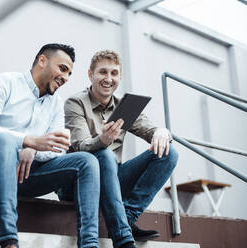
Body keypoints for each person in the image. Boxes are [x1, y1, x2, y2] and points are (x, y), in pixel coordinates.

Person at [0, 43, 101, 248]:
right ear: (42, 61)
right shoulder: (4, 83)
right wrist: (26, 140)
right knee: (5, 141)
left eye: (69, 73)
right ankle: (9, 242)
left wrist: (33, 149)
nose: (66, 78)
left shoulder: (56, 103)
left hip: (22, 176)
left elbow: (58, 148)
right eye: (62, 69)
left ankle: (89, 244)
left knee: (87, 161)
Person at [63, 50, 178, 244]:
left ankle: (128, 216)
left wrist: (162, 131)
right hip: (79, 183)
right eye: (103, 72)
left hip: (113, 181)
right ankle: (122, 235)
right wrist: (103, 140)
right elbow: (81, 146)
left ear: (120, 77)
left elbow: (150, 130)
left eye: (114, 73)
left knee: (168, 152)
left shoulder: (124, 106)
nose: (108, 79)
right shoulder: (75, 103)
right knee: (105, 155)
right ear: (91, 75)